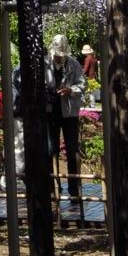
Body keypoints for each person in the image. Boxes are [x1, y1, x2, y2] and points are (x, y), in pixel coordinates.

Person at [46, 34, 86, 200]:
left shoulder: (74, 64)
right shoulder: (44, 64)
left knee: (72, 149)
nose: (59, 57)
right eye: (57, 54)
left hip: (69, 112)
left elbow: (82, 84)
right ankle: (53, 186)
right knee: (51, 149)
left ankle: (74, 188)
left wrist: (71, 90)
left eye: (62, 55)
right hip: (50, 112)